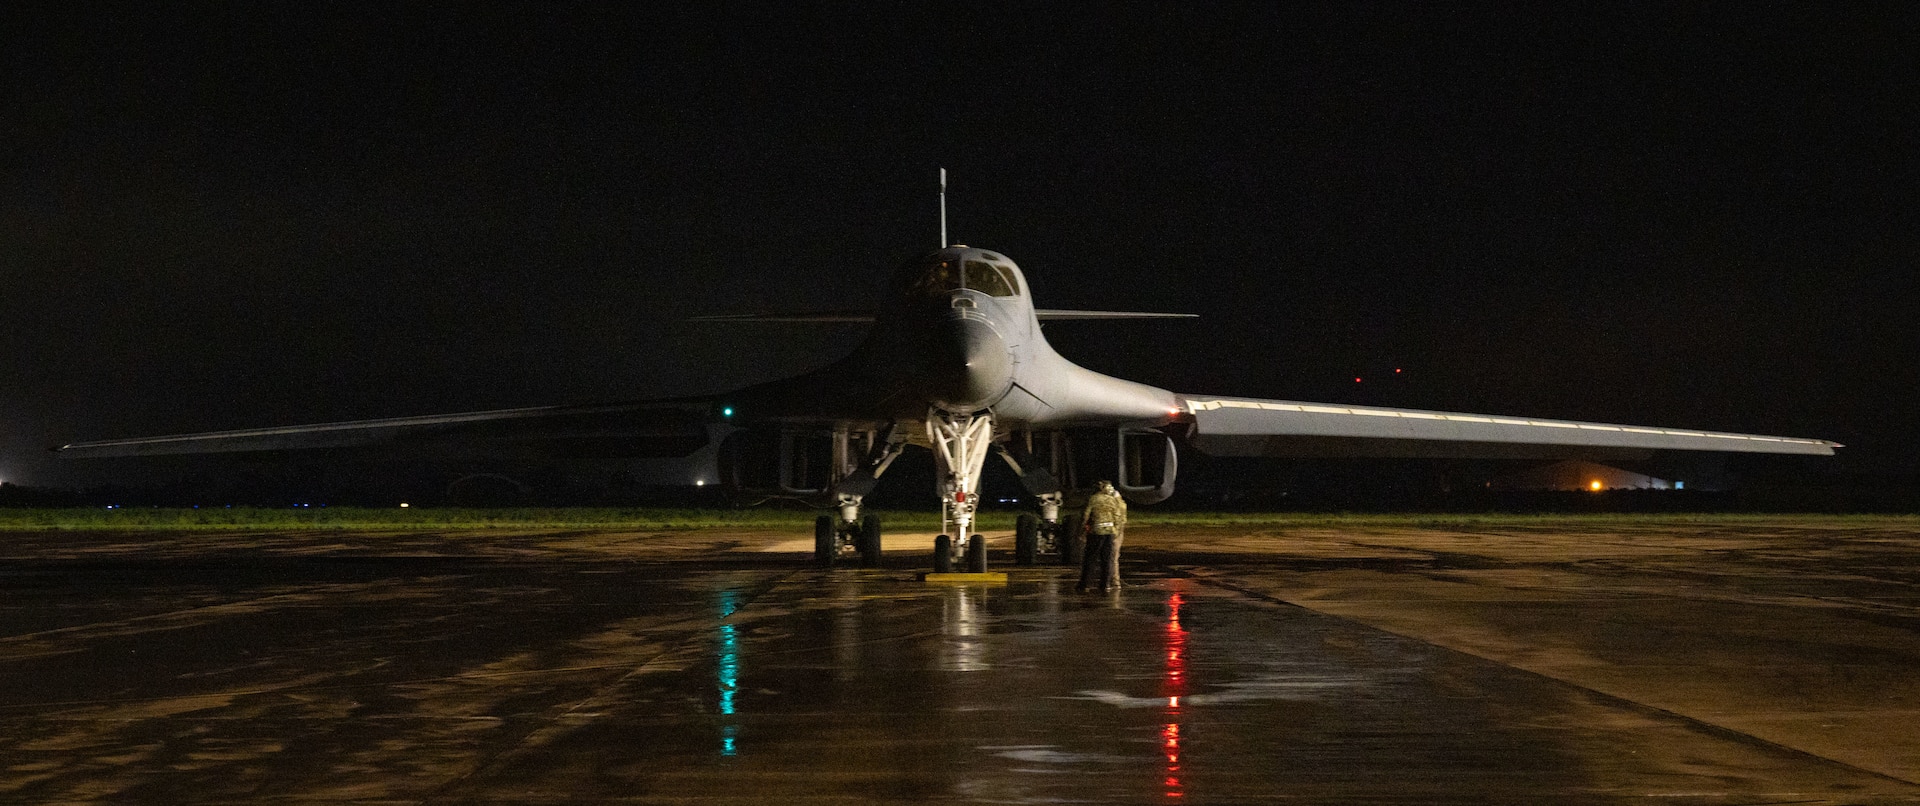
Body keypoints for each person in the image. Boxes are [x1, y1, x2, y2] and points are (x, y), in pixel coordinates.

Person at [1076, 480, 1127, 593]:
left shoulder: (1093, 499)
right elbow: (1118, 516)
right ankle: (1105, 584)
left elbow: (1085, 515)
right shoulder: (1113, 500)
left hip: (1096, 532)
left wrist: (1081, 530)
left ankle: (1085, 584)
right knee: (1107, 559)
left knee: (1090, 559)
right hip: (1109, 532)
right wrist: (1116, 532)